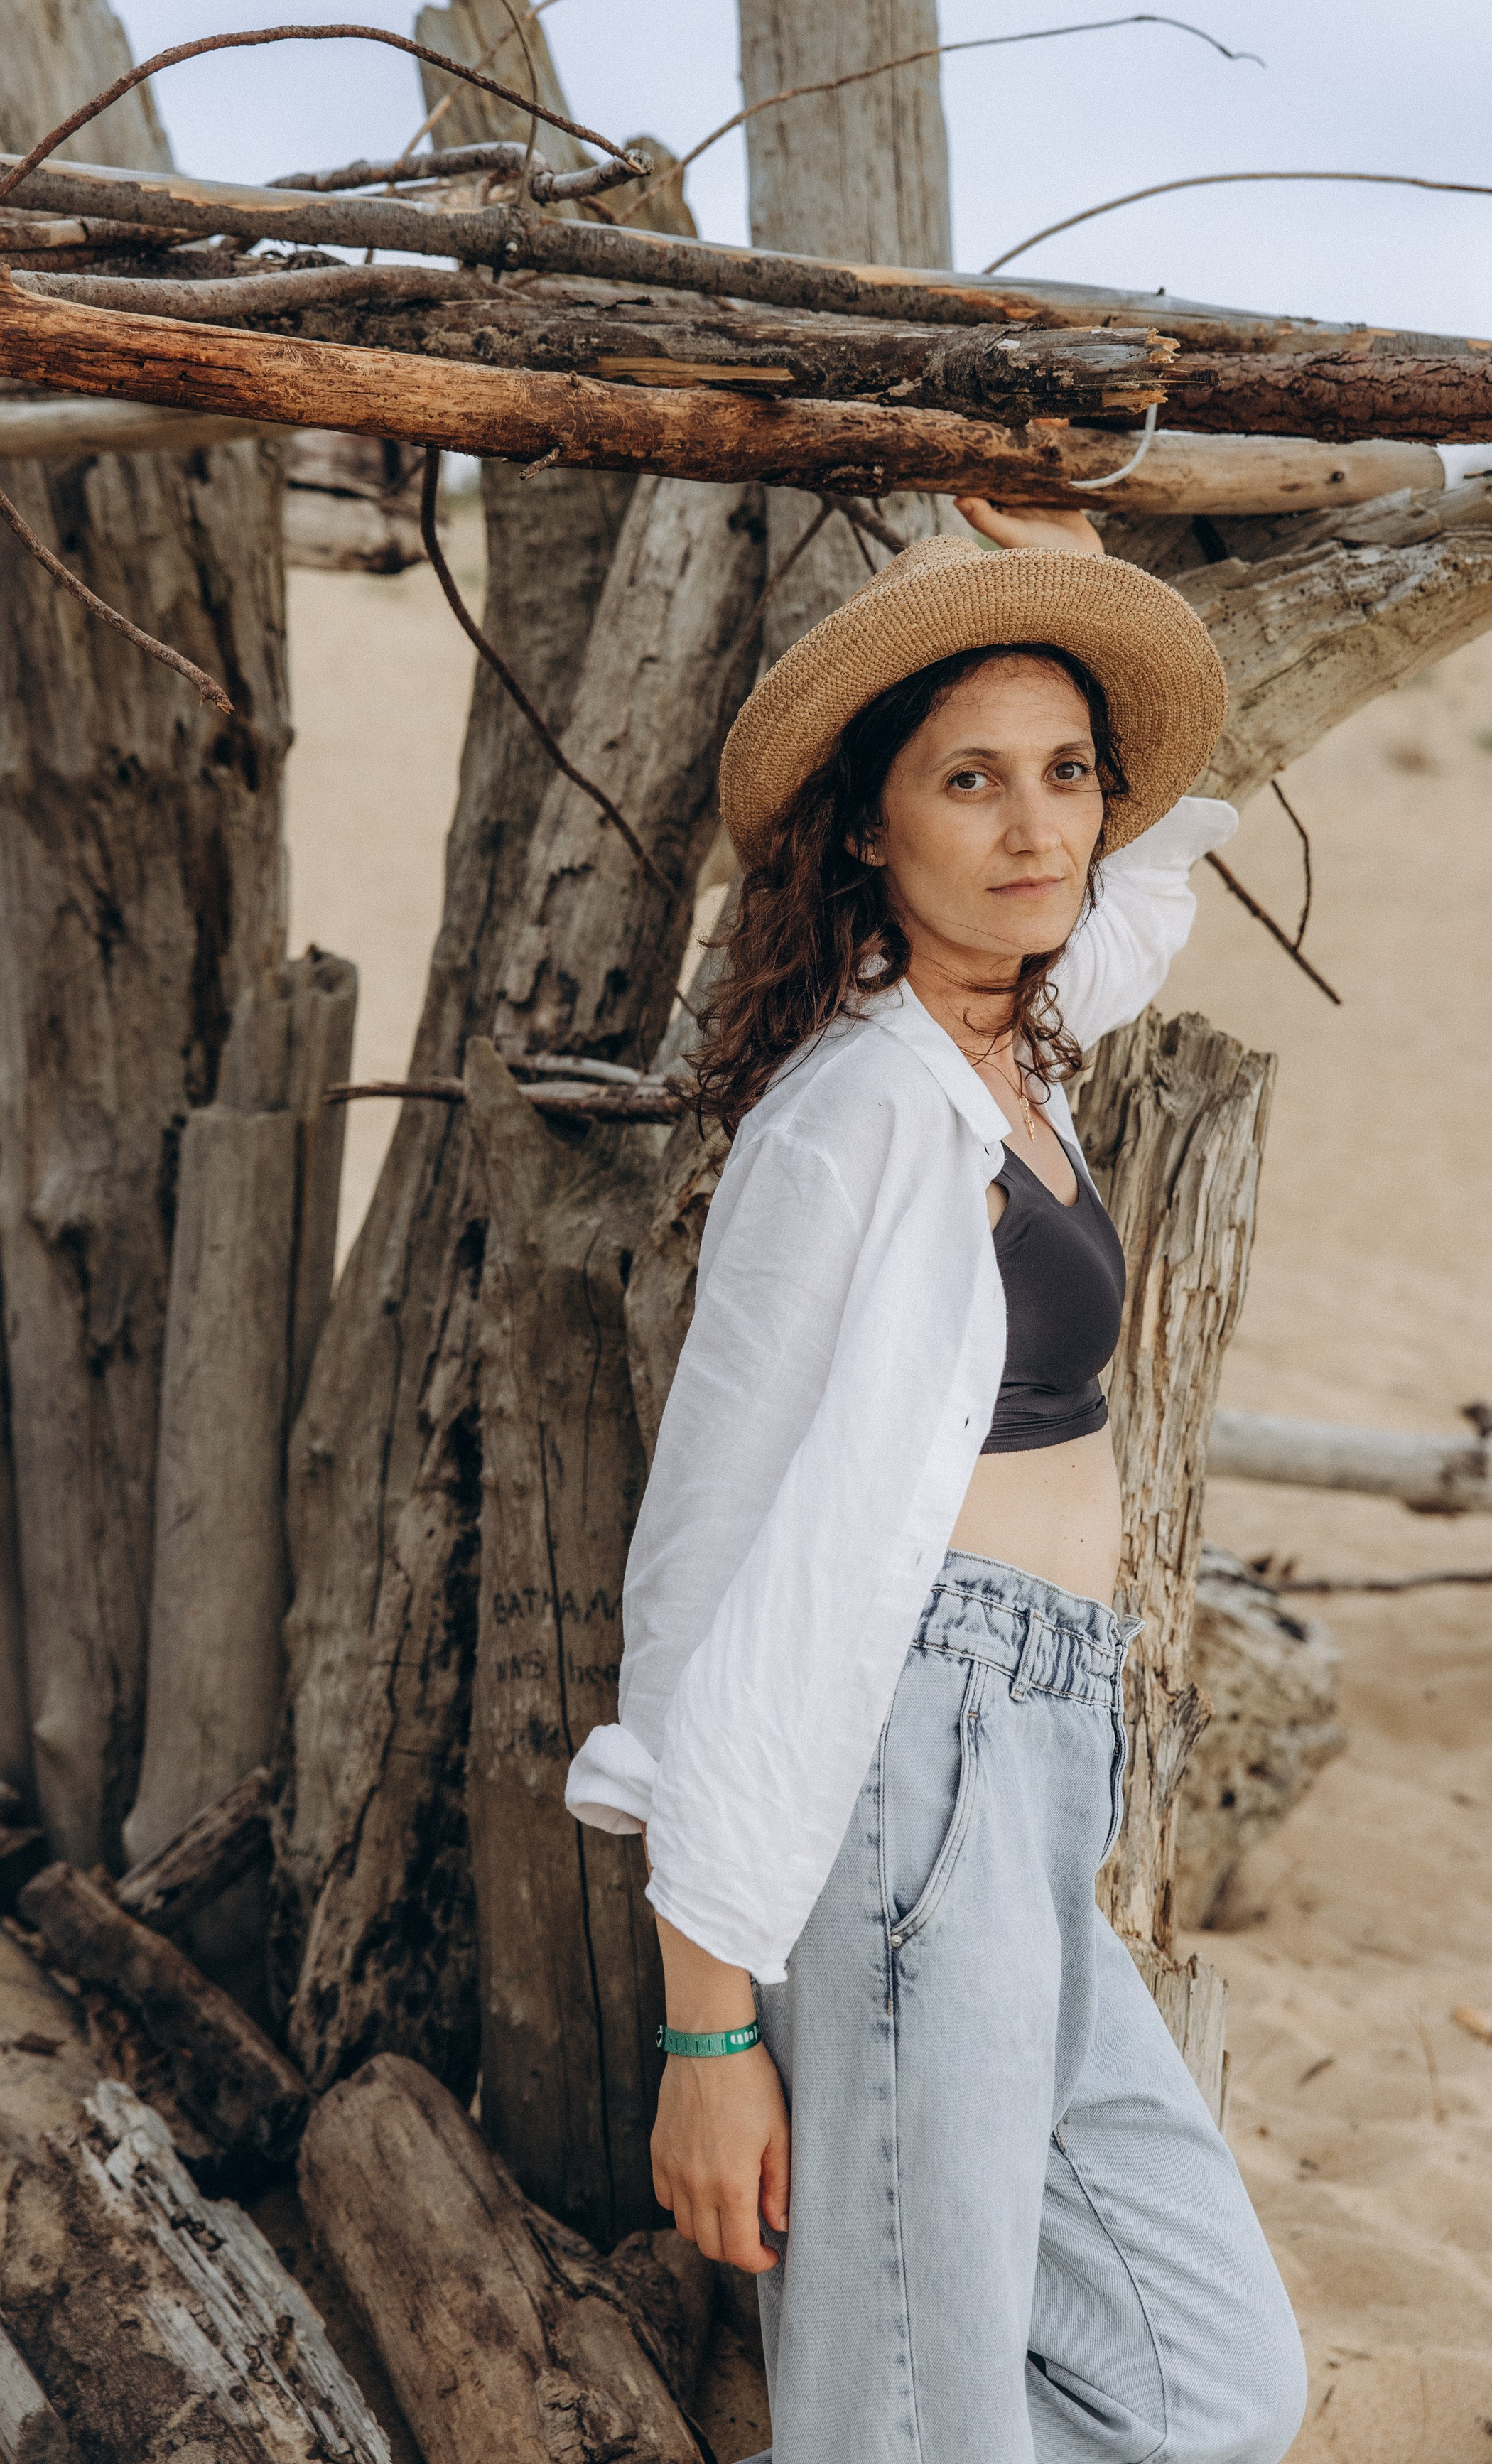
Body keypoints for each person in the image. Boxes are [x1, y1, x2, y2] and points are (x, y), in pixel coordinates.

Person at [566, 500, 1309, 2463]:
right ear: (867, 833)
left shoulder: (1013, 1060)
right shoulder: (858, 1116)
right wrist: (710, 2028)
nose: (1038, 826)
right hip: (917, 1754)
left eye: (1067, 773)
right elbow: (699, 1563)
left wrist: (1073, 572)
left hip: (1045, 1753)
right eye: (969, 781)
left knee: (1211, 2383)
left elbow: (1137, 886)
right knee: (910, 2413)